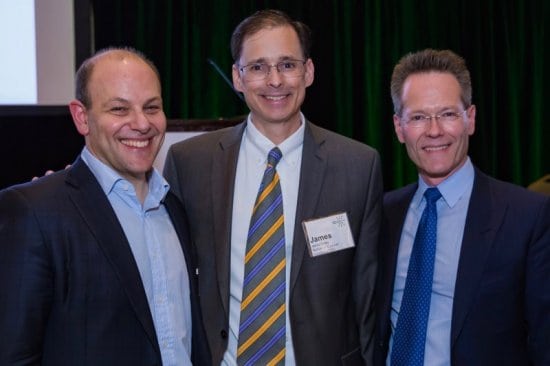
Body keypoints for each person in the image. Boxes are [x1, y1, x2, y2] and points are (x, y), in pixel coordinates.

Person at [164, 9, 383, 366]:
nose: (274, 80)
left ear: (308, 71)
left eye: (287, 64)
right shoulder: (190, 162)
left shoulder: (358, 166)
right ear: (237, 77)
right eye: (258, 67)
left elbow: (367, 296)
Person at [0, 47, 210, 365]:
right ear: (82, 117)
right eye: (119, 110)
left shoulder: (175, 208)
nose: (141, 124)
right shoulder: (35, 211)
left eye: (151, 107)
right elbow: (15, 355)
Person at [375, 49, 550, 365]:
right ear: (399, 128)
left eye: (447, 114)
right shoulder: (383, 214)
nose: (434, 131)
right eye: (418, 117)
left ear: (470, 119)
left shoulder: (528, 216)